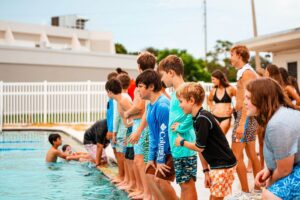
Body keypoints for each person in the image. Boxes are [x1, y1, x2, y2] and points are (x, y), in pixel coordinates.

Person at [174, 82, 237, 200]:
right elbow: (201, 148)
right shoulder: (197, 117)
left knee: (215, 198)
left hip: (223, 164)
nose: (179, 105)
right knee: (214, 197)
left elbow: (199, 147)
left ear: (191, 101)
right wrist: (206, 171)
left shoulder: (202, 118)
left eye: (181, 101)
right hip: (217, 165)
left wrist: (182, 142)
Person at [244, 78, 300, 200]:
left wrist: (271, 182)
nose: (244, 102)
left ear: (261, 98)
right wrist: (268, 169)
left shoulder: (278, 124)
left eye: (248, 98)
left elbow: (285, 169)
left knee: (269, 195)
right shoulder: (279, 115)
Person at [158, 55, 197, 200]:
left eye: (162, 76)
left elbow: (194, 113)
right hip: (178, 147)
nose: (161, 80)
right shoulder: (176, 92)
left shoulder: (184, 90)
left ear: (170, 73)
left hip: (184, 146)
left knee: (187, 184)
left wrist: (181, 127)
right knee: (183, 183)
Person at [136, 69, 177, 200]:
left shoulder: (162, 105)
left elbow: (164, 136)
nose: (138, 90)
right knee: (149, 175)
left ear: (151, 87)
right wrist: (150, 158)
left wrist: (159, 160)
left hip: (170, 150)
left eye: (141, 86)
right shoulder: (150, 106)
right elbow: (154, 135)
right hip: (160, 150)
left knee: (161, 180)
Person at [230, 45, 261, 198]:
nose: (230, 57)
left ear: (240, 55)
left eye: (232, 54)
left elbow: (250, 101)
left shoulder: (247, 73)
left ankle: (246, 192)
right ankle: (257, 190)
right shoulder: (244, 72)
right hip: (246, 116)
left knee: (236, 155)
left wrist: (241, 123)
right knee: (251, 154)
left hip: (246, 117)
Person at [124, 51, 155, 200]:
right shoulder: (152, 80)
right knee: (141, 160)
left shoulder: (142, 82)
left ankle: (147, 193)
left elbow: (140, 107)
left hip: (142, 126)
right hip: (143, 124)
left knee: (141, 160)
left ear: (139, 66)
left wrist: (127, 113)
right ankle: (144, 191)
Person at [207, 70, 236, 134]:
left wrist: (233, 109)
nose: (212, 81)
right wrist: (212, 107)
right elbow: (209, 100)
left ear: (219, 78)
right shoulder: (213, 89)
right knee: (215, 137)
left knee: (221, 137)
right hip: (214, 116)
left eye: (213, 79)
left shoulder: (230, 88)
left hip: (226, 117)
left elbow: (240, 98)